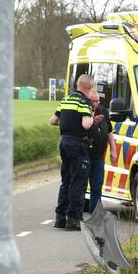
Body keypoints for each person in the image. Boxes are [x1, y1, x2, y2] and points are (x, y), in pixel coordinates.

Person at [50, 74, 95, 231]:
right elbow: (86, 124)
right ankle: (74, 219)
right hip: (77, 144)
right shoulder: (84, 102)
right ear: (89, 88)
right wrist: (92, 118)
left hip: (64, 142)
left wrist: (68, 122)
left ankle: (60, 217)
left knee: (66, 179)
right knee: (78, 181)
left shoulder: (66, 100)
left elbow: (53, 121)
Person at [83, 89, 118, 215]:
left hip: (99, 156)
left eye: (97, 101)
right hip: (85, 155)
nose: (95, 104)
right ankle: (76, 214)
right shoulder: (83, 111)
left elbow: (109, 131)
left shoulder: (103, 112)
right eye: (92, 101)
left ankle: (95, 213)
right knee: (81, 186)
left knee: (97, 187)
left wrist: (113, 149)